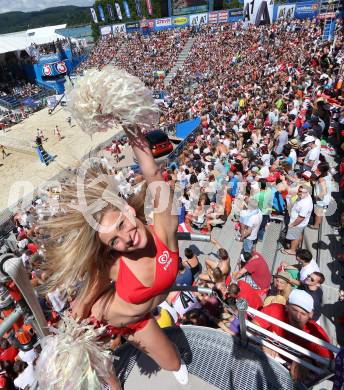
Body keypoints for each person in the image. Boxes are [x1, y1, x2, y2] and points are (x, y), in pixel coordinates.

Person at [40, 124, 188, 387]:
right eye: (114, 241)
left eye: (121, 224)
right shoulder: (114, 264)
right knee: (107, 381)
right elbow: (84, 302)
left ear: (128, 210)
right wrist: (64, 342)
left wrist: (129, 125)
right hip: (100, 322)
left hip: (138, 323)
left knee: (174, 363)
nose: (126, 239)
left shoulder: (164, 232)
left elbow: (153, 174)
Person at [254, 290, 333, 380]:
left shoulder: (316, 333)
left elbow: (328, 364)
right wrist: (263, 341)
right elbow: (253, 325)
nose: (297, 317)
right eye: (294, 310)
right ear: (287, 306)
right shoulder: (275, 309)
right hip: (264, 367)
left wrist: (308, 362)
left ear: (310, 315)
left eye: (303, 313)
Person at [282, 186, 313, 255]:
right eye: (299, 191)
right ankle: (297, 244)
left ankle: (292, 250)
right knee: (298, 235)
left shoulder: (305, 204)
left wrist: (292, 224)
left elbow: (301, 218)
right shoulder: (305, 197)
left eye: (301, 192)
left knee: (294, 237)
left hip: (297, 224)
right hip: (300, 224)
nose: (298, 193)